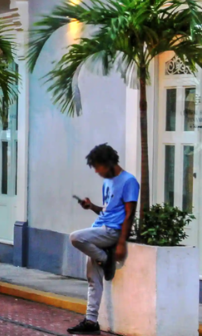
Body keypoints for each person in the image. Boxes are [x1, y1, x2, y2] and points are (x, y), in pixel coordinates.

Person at [67, 143, 139, 335]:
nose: (97, 172)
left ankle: (106, 259)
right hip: (100, 228)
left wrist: (121, 243)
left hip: (112, 232)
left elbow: (129, 214)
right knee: (92, 279)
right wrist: (91, 207)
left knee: (75, 237)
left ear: (109, 163)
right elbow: (108, 210)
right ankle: (91, 321)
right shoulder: (106, 182)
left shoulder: (129, 181)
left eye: (99, 167)